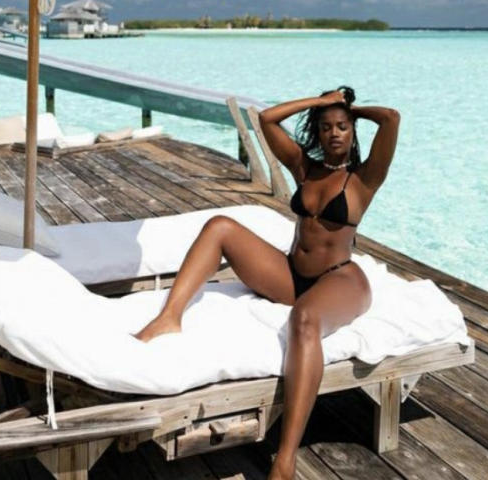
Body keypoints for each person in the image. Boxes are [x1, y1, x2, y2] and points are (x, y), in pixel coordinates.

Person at [133, 86, 400, 480]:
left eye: (342, 127)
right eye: (326, 127)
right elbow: (267, 119)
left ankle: (284, 459)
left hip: (340, 279)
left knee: (304, 320)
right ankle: (170, 316)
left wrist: (350, 107)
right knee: (219, 226)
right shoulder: (304, 168)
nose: (334, 133)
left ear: (353, 131)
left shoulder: (364, 178)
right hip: (291, 274)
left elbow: (391, 118)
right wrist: (319, 102)